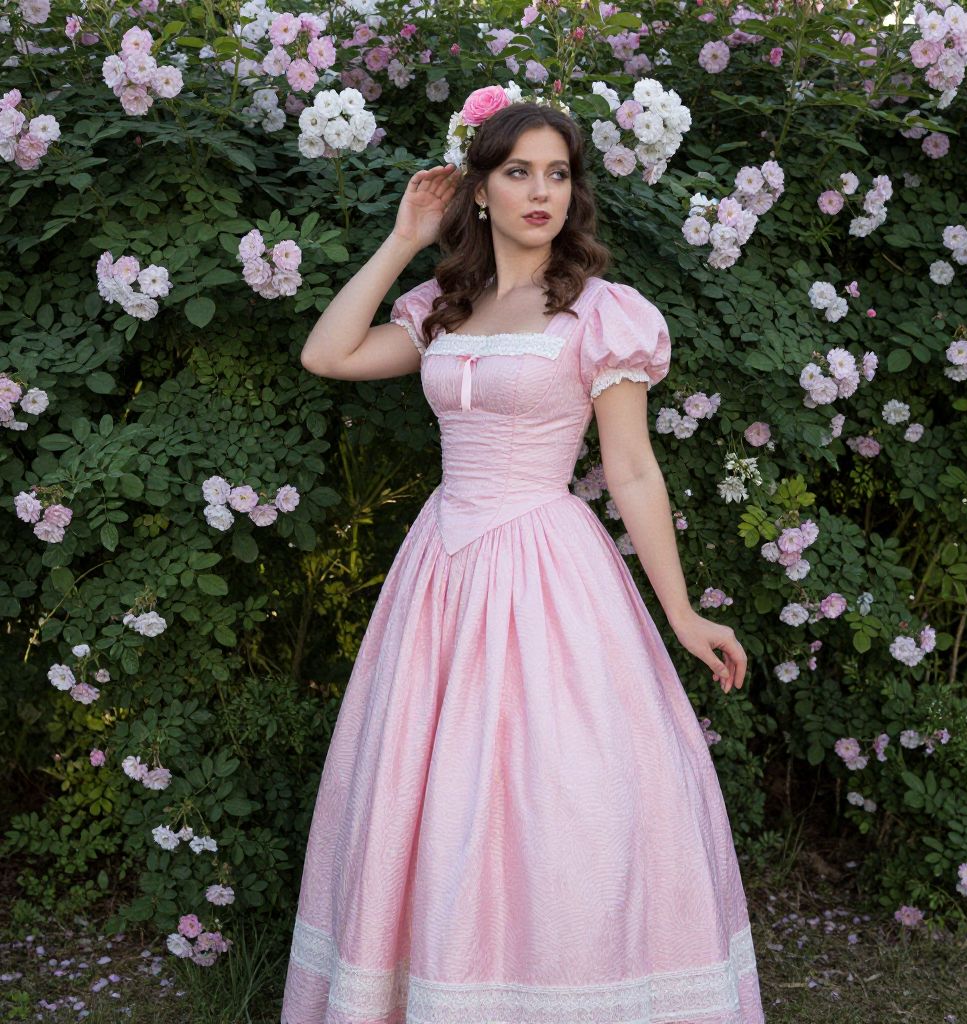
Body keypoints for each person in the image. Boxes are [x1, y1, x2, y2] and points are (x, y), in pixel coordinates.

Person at [282, 88, 765, 1024]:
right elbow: (328, 355)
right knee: (430, 790)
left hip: (546, 569)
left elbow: (631, 469)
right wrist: (404, 239)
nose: (541, 192)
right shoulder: (445, 305)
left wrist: (680, 612)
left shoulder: (600, 313)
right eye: (517, 172)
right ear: (480, 188)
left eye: (557, 174)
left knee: (557, 795)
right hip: (440, 570)